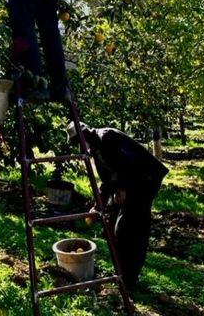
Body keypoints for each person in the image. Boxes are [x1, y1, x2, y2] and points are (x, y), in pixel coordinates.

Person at [66, 121, 169, 291]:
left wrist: (123, 187)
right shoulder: (96, 149)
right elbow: (107, 180)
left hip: (145, 181)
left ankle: (129, 278)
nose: (80, 146)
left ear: (85, 135)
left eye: (78, 141)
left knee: (130, 229)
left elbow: (133, 165)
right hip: (130, 184)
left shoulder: (107, 137)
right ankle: (120, 272)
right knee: (112, 225)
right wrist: (97, 206)